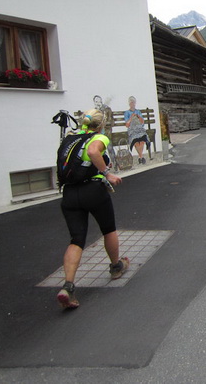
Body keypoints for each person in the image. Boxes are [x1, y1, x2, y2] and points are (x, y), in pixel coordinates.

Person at [57, 109, 129, 309]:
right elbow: (92, 152)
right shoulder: (98, 137)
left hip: (70, 193)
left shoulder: (71, 138)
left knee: (76, 240)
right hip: (93, 190)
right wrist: (107, 173)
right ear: (101, 124)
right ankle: (116, 267)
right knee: (108, 229)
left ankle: (68, 287)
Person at [124, 96, 150, 165]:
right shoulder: (127, 113)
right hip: (132, 130)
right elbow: (127, 125)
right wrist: (131, 117)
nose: (132, 104)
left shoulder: (138, 112)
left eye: (133, 102)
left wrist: (138, 116)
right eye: (131, 102)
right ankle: (141, 157)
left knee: (142, 140)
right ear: (129, 104)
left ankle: (140, 157)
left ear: (135, 103)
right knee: (136, 141)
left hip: (140, 129)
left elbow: (142, 123)